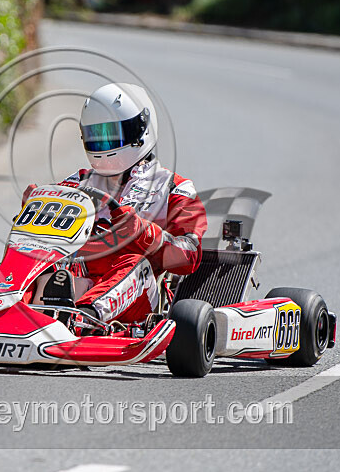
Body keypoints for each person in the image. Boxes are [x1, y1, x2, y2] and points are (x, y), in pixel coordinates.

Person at [24, 83, 207, 323]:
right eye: (96, 137)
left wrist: (145, 233)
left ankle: (86, 318)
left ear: (139, 130)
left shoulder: (174, 187)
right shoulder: (80, 181)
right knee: (37, 256)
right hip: (76, 280)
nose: (103, 145)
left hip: (138, 295)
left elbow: (189, 255)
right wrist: (37, 205)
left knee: (135, 263)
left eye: (111, 135)